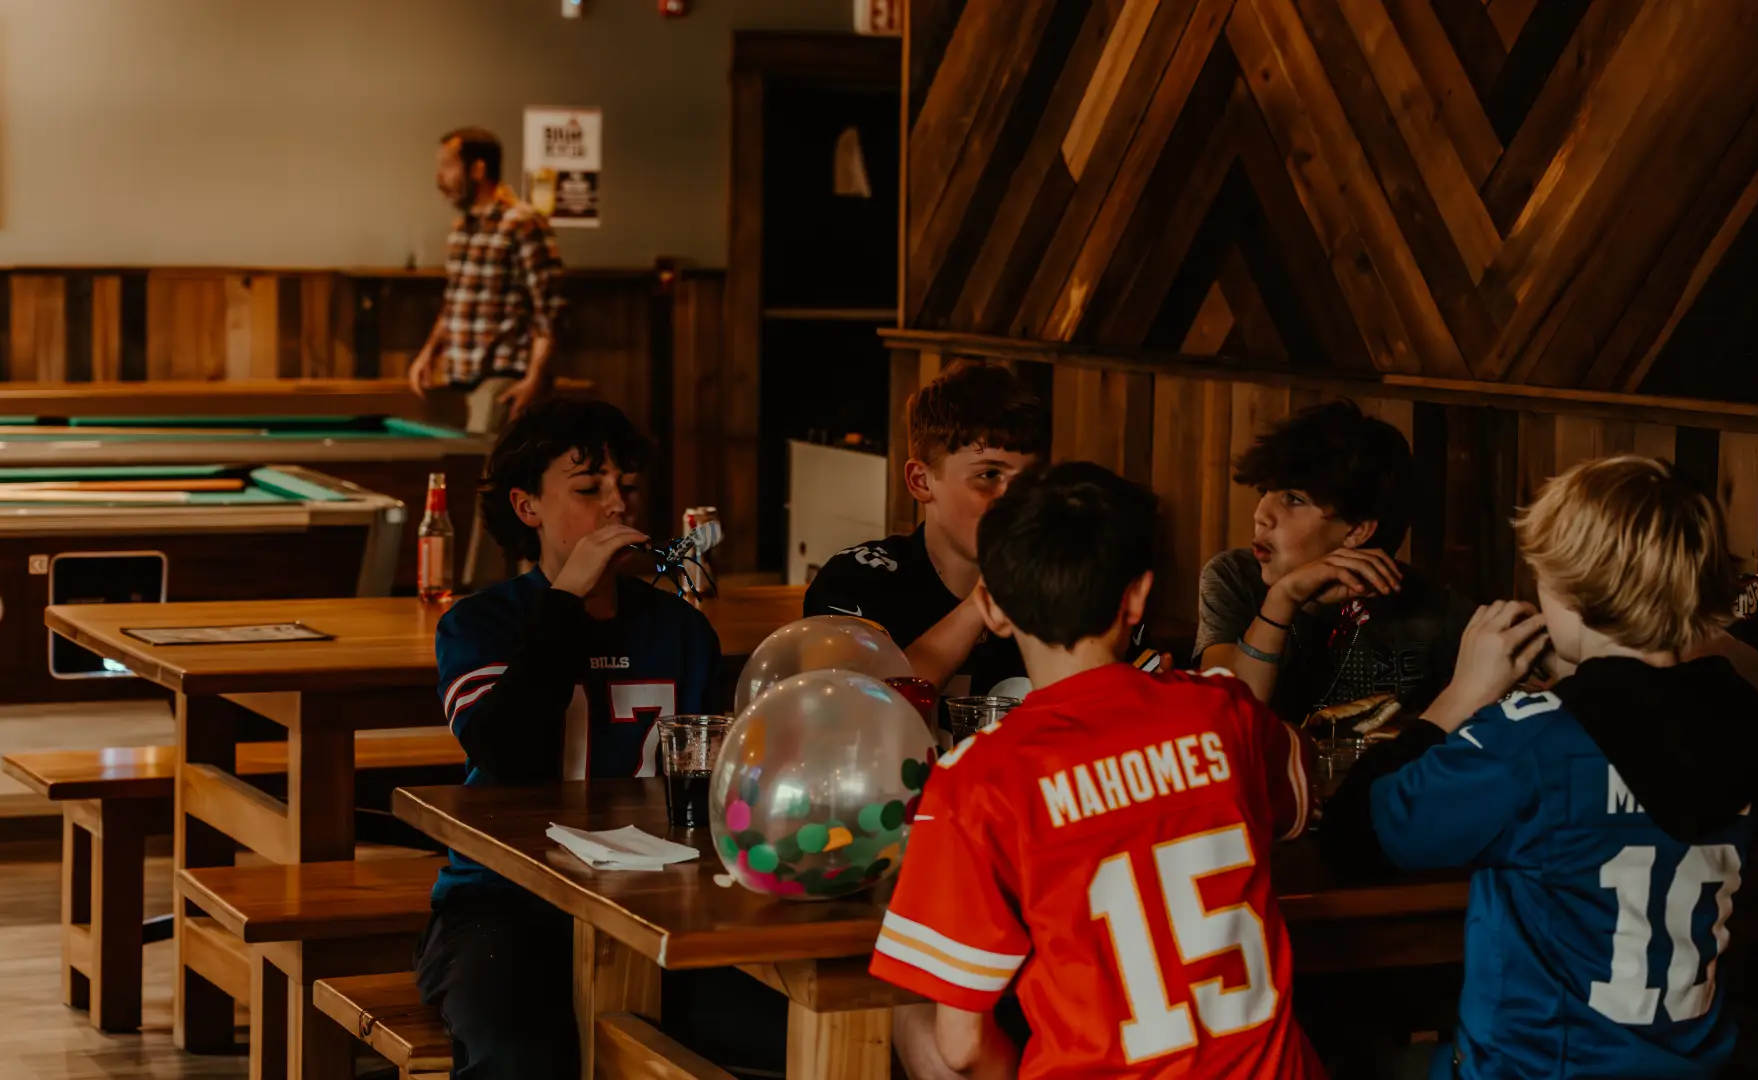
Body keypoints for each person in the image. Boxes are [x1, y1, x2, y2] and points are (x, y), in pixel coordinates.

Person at [1322, 456, 1758, 1079]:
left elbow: (1355, 836)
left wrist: (1461, 695)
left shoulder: (1532, 743)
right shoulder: (1745, 722)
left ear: (1568, 593)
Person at [871, 461, 1323, 1080]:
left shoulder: (975, 781)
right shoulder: (1224, 710)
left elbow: (963, 1048)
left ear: (992, 609)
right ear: (1136, 595)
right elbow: (1299, 800)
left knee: (913, 1001)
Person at [413, 399, 780, 1079]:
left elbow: (713, 783)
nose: (617, 505)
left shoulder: (681, 630)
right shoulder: (481, 625)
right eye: (589, 490)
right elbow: (507, 753)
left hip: (657, 903)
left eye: (628, 487)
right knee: (520, 1054)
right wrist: (565, 602)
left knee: (784, 1036)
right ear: (528, 508)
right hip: (502, 905)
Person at [1194, 400, 1472, 724]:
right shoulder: (1235, 577)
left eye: (1294, 500)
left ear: (1355, 530)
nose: (1261, 516)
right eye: (1264, 492)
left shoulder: (1429, 610)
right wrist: (1283, 598)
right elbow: (1222, 715)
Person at [805, 360, 1049, 700]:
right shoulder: (855, 581)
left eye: (1030, 479)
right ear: (921, 481)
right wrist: (983, 601)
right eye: (989, 475)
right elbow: (862, 711)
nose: (1017, 500)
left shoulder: (1061, 584)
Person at [409, 127, 567, 437]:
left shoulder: (522, 223)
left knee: (483, 471)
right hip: (460, 373)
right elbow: (454, 302)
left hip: (505, 374)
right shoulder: (461, 228)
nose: (441, 176)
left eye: (449, 165)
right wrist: (428, 353)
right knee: (455, 468)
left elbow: (548, 310)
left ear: (478, 169)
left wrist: (534, 380)